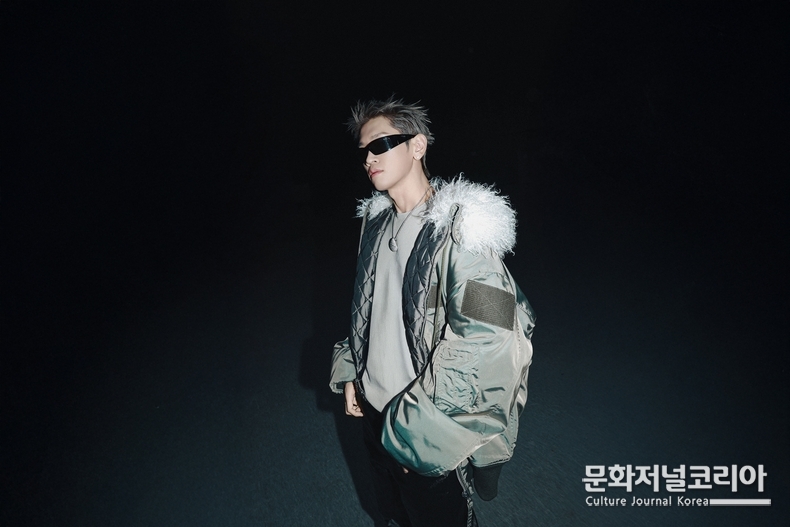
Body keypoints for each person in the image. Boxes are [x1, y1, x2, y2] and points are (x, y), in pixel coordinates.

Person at [330, 96, 535, 527]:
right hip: (374, 413)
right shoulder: (375, 223)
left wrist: (418, 430)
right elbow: (370, 308)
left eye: (380, 144)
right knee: (394, 515)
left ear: (417, 146)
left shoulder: (462, 234)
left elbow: (493, 335)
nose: (369, 158)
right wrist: (353, 368)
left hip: (425, 429)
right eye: (364, 150)